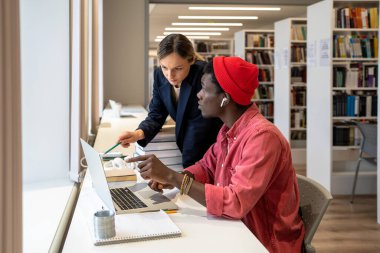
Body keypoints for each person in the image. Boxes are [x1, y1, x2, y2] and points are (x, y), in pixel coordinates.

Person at [128, 56, 305, 253]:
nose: (198, 95)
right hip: (237, 230)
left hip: (262, 242)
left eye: (204, 88)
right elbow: (206, 166)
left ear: (225, 98)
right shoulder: (229, 130)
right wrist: (174, 178)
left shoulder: (262, 138)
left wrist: (174, 177)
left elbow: (235, 202)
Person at [118, 34, 222, 168]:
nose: (170, 76)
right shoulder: (159, 75)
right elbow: (156, 114)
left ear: (191, 60)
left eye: (178, 68)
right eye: (164, 67)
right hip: (188, 146)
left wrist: (185, 177)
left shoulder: (203, 75)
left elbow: (197, 130)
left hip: (210, 147)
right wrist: (137, 134)